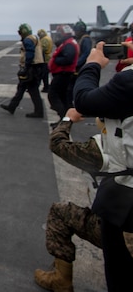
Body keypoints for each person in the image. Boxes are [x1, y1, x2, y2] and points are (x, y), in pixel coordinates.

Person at [73, 40, 133, 291]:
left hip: (126, 200)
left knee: (121, 277)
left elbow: (83, 100)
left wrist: (92, 65)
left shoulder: (127, 82)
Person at [35, 107, 104, 291]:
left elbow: (57, 143)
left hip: (117, 228)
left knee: (59, 213)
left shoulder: (104, 148)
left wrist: (68, 119)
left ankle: (61, 280)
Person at [0, 23, 44, 118]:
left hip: (31, 68)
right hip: (36, 67)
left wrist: (26, 68)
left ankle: (39, 111)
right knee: (21, 88)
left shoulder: (28, 40)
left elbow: (30, 54)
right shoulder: (35, 37)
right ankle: (12, 106)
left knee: (33, 90)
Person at [48, 24, 79, 123]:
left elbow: (68, 58)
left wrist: (56, 60)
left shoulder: (69, 44)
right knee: (63, 97)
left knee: (53, 95)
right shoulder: (70, 42)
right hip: (64, 73)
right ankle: (65, 119)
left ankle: (62, 118)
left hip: (63, 73)